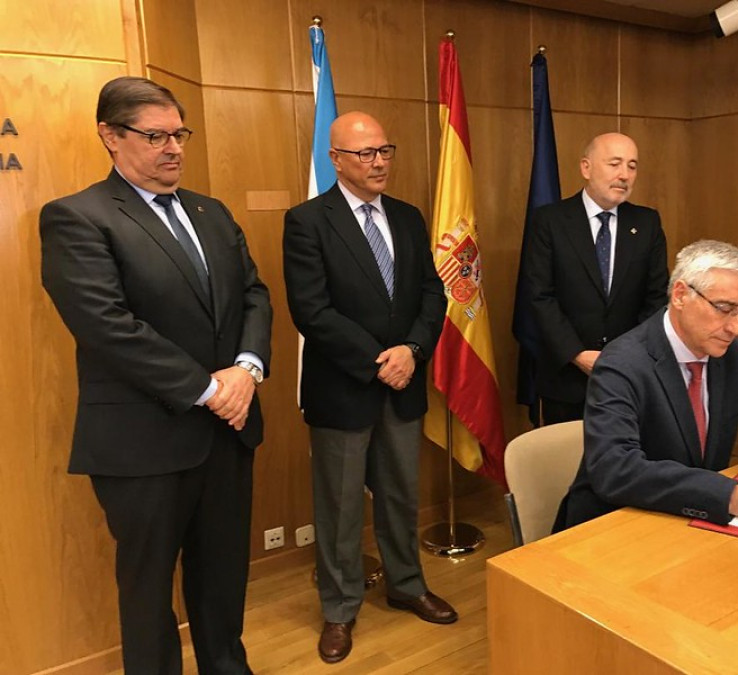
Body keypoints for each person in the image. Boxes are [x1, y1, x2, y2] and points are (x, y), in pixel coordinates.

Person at [40, 76, 272, 675]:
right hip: (142, 443)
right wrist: (210, 389)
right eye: (155, 136)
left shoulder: (211, 212)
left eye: (179, 134)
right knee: (147, 593)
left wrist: (246, 370)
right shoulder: (78, 217)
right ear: (110, 137)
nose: (173, 148)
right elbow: (105, 326)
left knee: (222, 578)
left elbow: (253, 295)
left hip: (228, 431)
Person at [283, 112, 455, 665]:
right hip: (344, 387)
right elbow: (311, 310)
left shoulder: (407, 217)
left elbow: (433, 293)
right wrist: (377, 361)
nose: (378, 162)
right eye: (365, 153)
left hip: (403, 382)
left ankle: (406, 585)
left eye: (385, 150)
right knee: (338, 505)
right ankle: (339, 608)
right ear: (335, 159)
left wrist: (412, 351)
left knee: (401, 494)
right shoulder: (307, 221)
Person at [554, 240, 738, 531]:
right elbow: (616, 469)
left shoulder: (730, 356)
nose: (735, 328)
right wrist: (731, 497)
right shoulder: (622, 363)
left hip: (687, 522)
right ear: (680, 295)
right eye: (724, 308)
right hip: (612, 528)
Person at [524, 132, 669, 425]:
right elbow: (539, 296)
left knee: (625, 464)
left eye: (632, 165)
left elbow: (656, 298)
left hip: (629, 375)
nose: (624, 175)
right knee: (565, 466)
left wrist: (625, 356)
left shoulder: (647, 223)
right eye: (615, 164)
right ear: (586, 168)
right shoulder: (550, 221)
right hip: (565, 377)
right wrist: (577, 354)